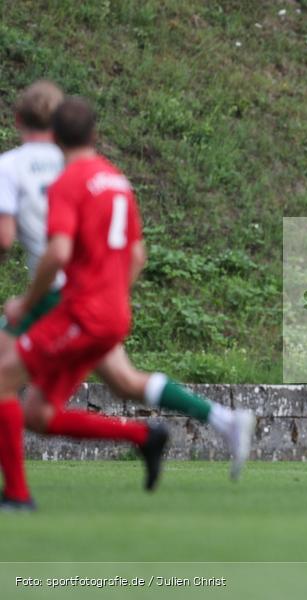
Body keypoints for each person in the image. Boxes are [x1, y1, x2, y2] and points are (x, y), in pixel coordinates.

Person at [0, 83, 255, 509]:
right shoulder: (114, 177)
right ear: (93, 133)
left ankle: (17, 494)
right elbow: (137, 254)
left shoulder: (37, 171)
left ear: (20, 121)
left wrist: (28, 301)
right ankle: (166, 430)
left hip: (66, 303)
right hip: (107, 304)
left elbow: (40, 246)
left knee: (4, 382)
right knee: (106, 387)